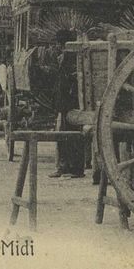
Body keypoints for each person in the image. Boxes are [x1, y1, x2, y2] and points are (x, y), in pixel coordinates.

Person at [48, 30, 86, 178]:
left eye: (58, 43)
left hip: (69, 102)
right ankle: (68, 167)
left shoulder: (69, 56)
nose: (57, 46)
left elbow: (68, 81)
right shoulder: (68, 56)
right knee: (67, 135)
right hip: (66, 102)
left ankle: (72, 168)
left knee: (69, 135)